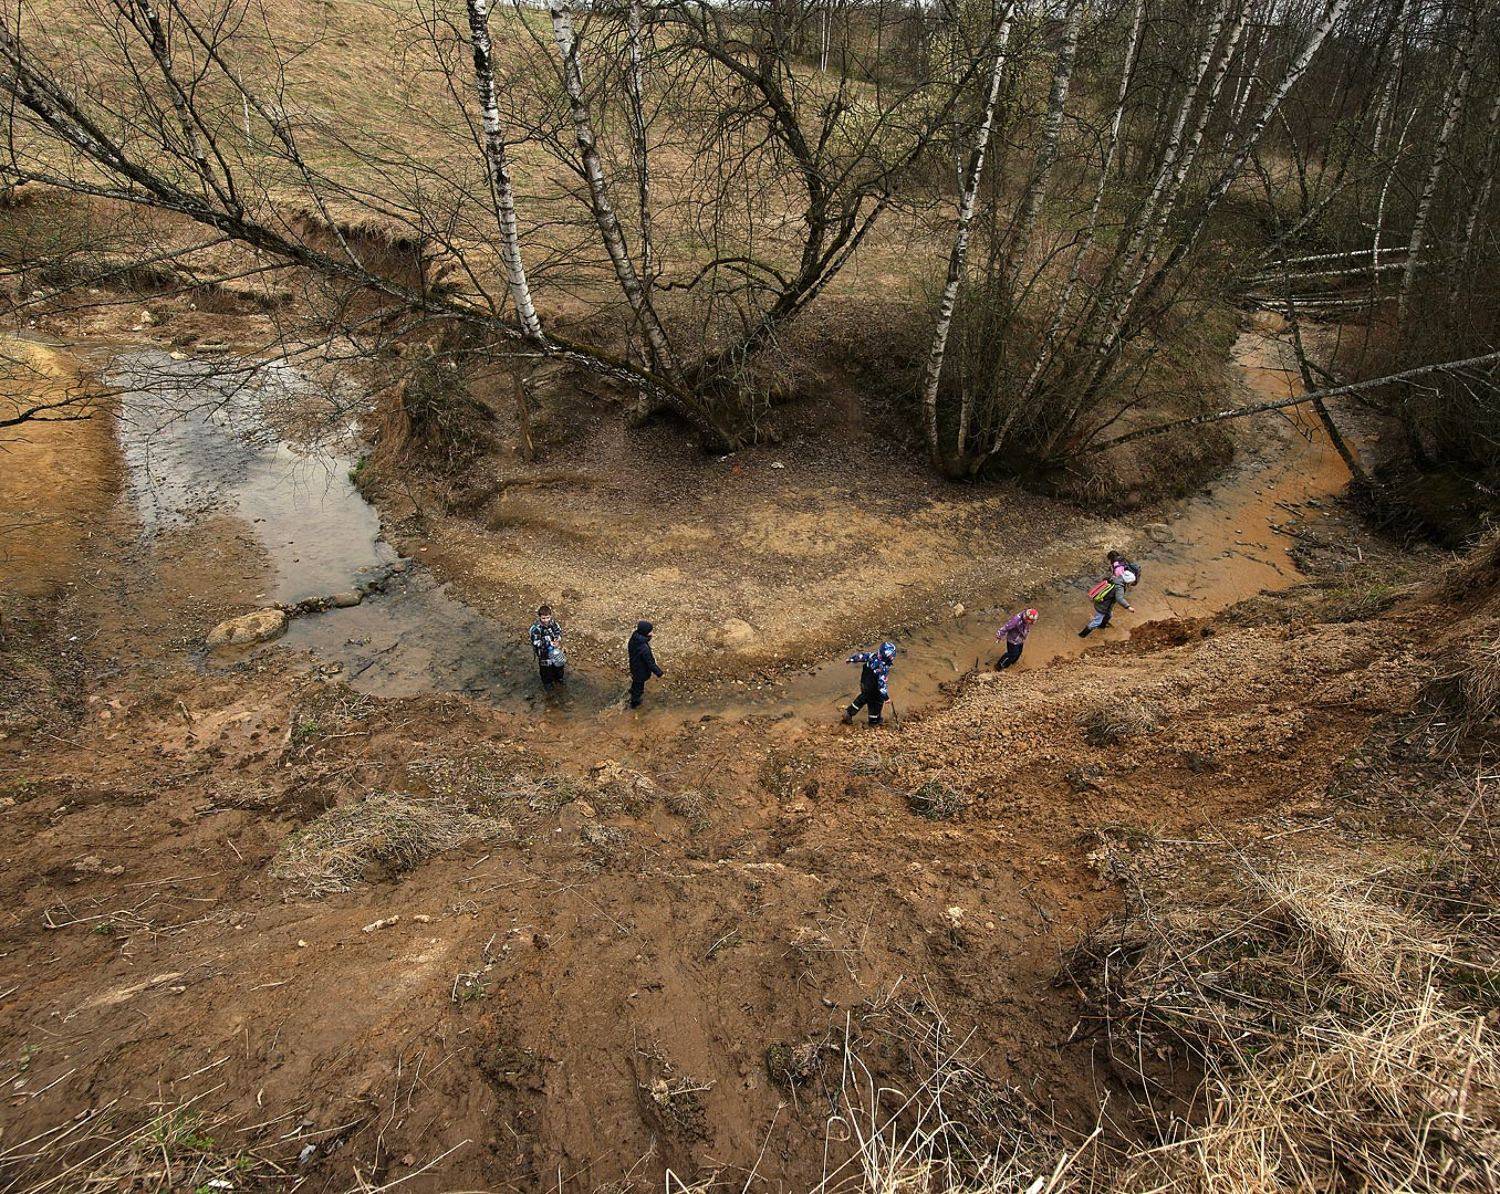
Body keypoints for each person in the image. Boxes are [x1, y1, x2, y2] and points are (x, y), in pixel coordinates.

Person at [842, 641, 896, 726]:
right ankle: (874, 721)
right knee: (876, 704)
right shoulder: (883, 668)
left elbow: (862, 656)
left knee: (862, 698)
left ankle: (848, 713)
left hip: (865, 684)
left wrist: (851, 659)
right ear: (889, 657)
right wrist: (886, 698)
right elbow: (882, 685)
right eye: (892, 656)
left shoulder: (872, 656)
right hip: (875, 690)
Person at [1080, 569, 1135, 636]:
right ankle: (1083, 634)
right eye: (1131, 582)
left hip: (1102, 602)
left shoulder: (1114, 578)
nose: (1131, 584)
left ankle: (1102, 626)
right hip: (1103, 606)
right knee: (1097, 621)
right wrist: (1128, 607)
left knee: (1109, 615)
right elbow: (1119, 599)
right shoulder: (1119, 587)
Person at [627, 620, 663, 708]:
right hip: (641, 671)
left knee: (636, 681)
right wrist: (659, 672)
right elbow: (650, 663)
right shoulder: (644, 648)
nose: (652, 633)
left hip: (634, 666)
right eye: (650, 631)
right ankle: (634, 704)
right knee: (639, 688)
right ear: (645, 633)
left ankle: (632, 691)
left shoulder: (634, 638)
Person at [529, 604, 566, 690]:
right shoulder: (535, 628)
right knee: (546, 669)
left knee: (559, 665)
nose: (546, 620)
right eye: (543, 618)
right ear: (540, 617)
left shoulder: (553, 623)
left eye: (548, 617)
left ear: (550, 616)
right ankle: (547, 683)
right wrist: (549, 643)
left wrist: (557, 639)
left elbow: (558, 632)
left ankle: (558, 678)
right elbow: (536, 642)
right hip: (543, 653)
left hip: (555, 650)